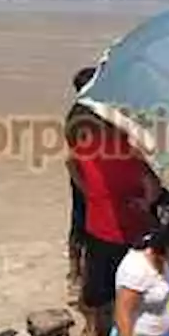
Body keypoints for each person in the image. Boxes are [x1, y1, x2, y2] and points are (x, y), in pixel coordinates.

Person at [70, 110, 162, 336]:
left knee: (100, 277)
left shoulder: (91, 145)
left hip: (112, 225)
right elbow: (152, 186)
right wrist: (146, 202)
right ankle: (104, 324)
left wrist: (86, 190)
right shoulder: (129, 150)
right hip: (119, 225)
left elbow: (70, 163)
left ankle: (97, 326)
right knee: (117, 278)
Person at [65, 66, 98, 303]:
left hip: (94, 180)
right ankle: (76, 275)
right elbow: (71, 160)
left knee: (85, 227)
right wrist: (86, 189)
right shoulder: (80, 117)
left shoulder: (94, 112)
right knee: (81, 226)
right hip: (85, 181)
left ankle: (80, 274)